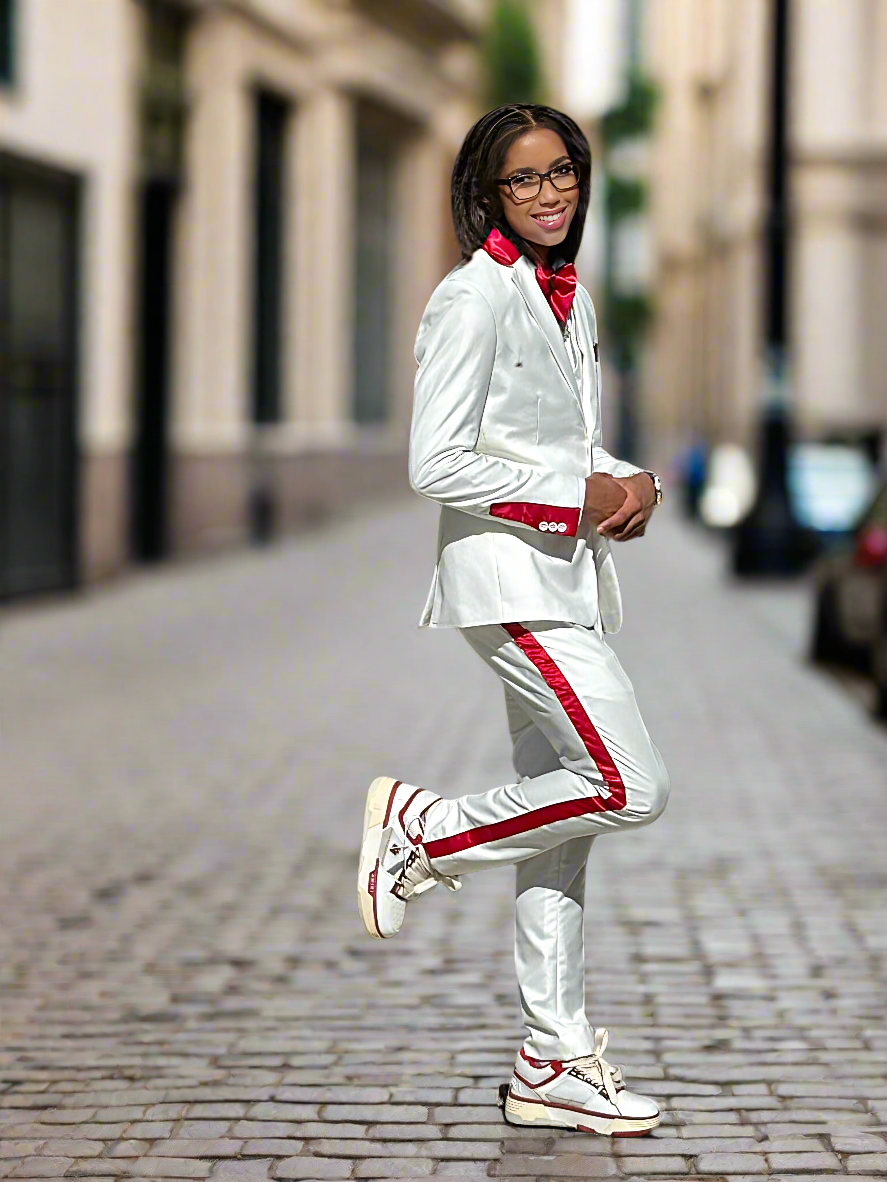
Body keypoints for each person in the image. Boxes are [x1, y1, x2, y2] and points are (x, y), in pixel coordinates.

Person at [357, 104, 670, 1137]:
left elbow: (567, 438)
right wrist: (568, 498)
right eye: (522, 181)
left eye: (562, 174)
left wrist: (629, 482)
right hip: (507, 584)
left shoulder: (563, 299)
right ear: (485, 194)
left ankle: (551, 1058)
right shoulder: (469, 299)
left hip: (564, 579)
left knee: (560, 835)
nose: (547, 194)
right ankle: (422, 832)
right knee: (625, 785)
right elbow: (434, 462)